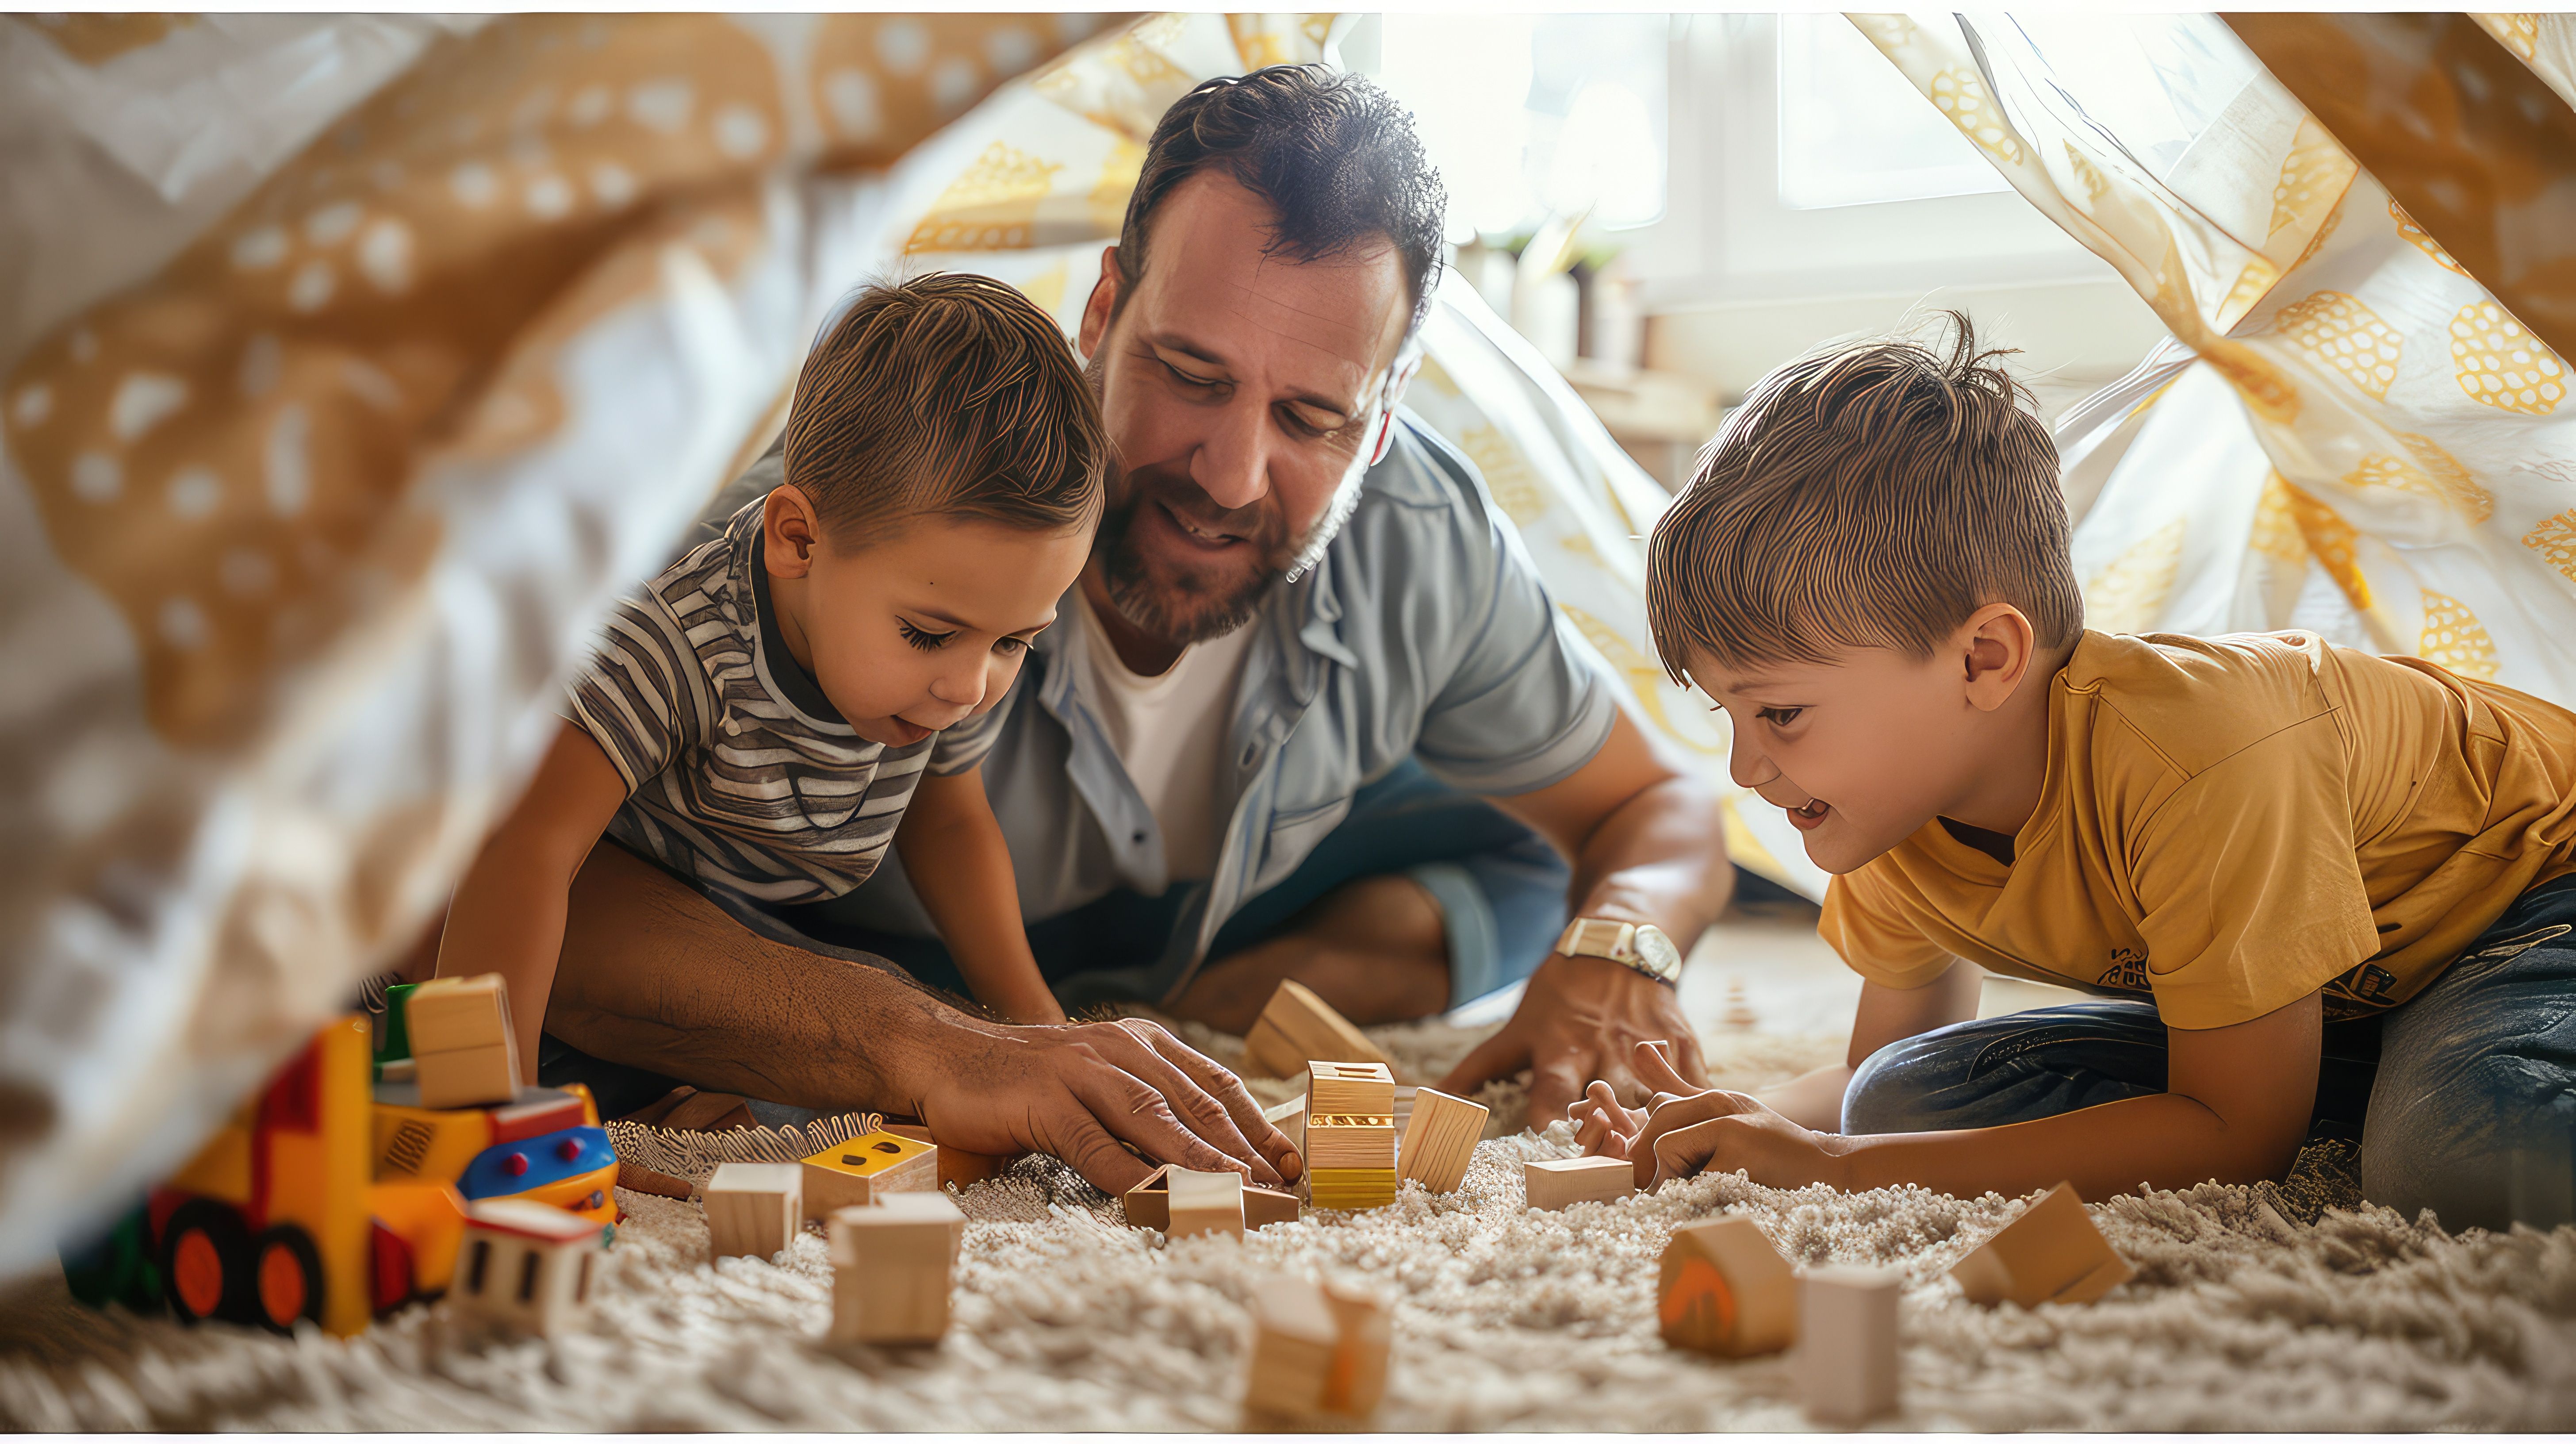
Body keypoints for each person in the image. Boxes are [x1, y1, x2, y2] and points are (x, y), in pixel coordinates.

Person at [540, 62, 1741, 1171]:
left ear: (1381, 422)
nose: (1231, 475)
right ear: (1103, 312)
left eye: (1311, 419)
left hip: (1252, 889)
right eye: (1193, 375)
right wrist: (923, 1043)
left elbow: (1663, 802)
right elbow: (504, 873)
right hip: (844, 924)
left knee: (1532, 861)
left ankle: (1188, 987)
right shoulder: (875, 513)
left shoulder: (1423, 534)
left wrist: (1617, 948)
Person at [1569, 315, 2576, 1232]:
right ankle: (2379, 1071)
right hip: (2352, 996)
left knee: (2464, 1156)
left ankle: (2425, 1081)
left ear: (1983, 660)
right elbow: (1865, 1078)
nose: (1747, 768)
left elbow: (2238, 1137)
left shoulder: (2203, 756)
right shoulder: (1883, 801)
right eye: (1730, 714)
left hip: (2532, 908)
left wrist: (1831, 1166)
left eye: (1779, 712)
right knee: (1899, 1096)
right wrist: (1734, 1122)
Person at [439, 274, 1096, 1069]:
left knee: (893, 1007)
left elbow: (951, 823)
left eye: (1015, 643)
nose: (969, 689)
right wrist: (485, 1103)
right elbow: (527, 849)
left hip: (714, 913)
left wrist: (1039, 1024)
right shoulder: (674, 643)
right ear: (798, 541)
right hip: (519, 905)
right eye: (928, 637)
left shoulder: (962, 649)